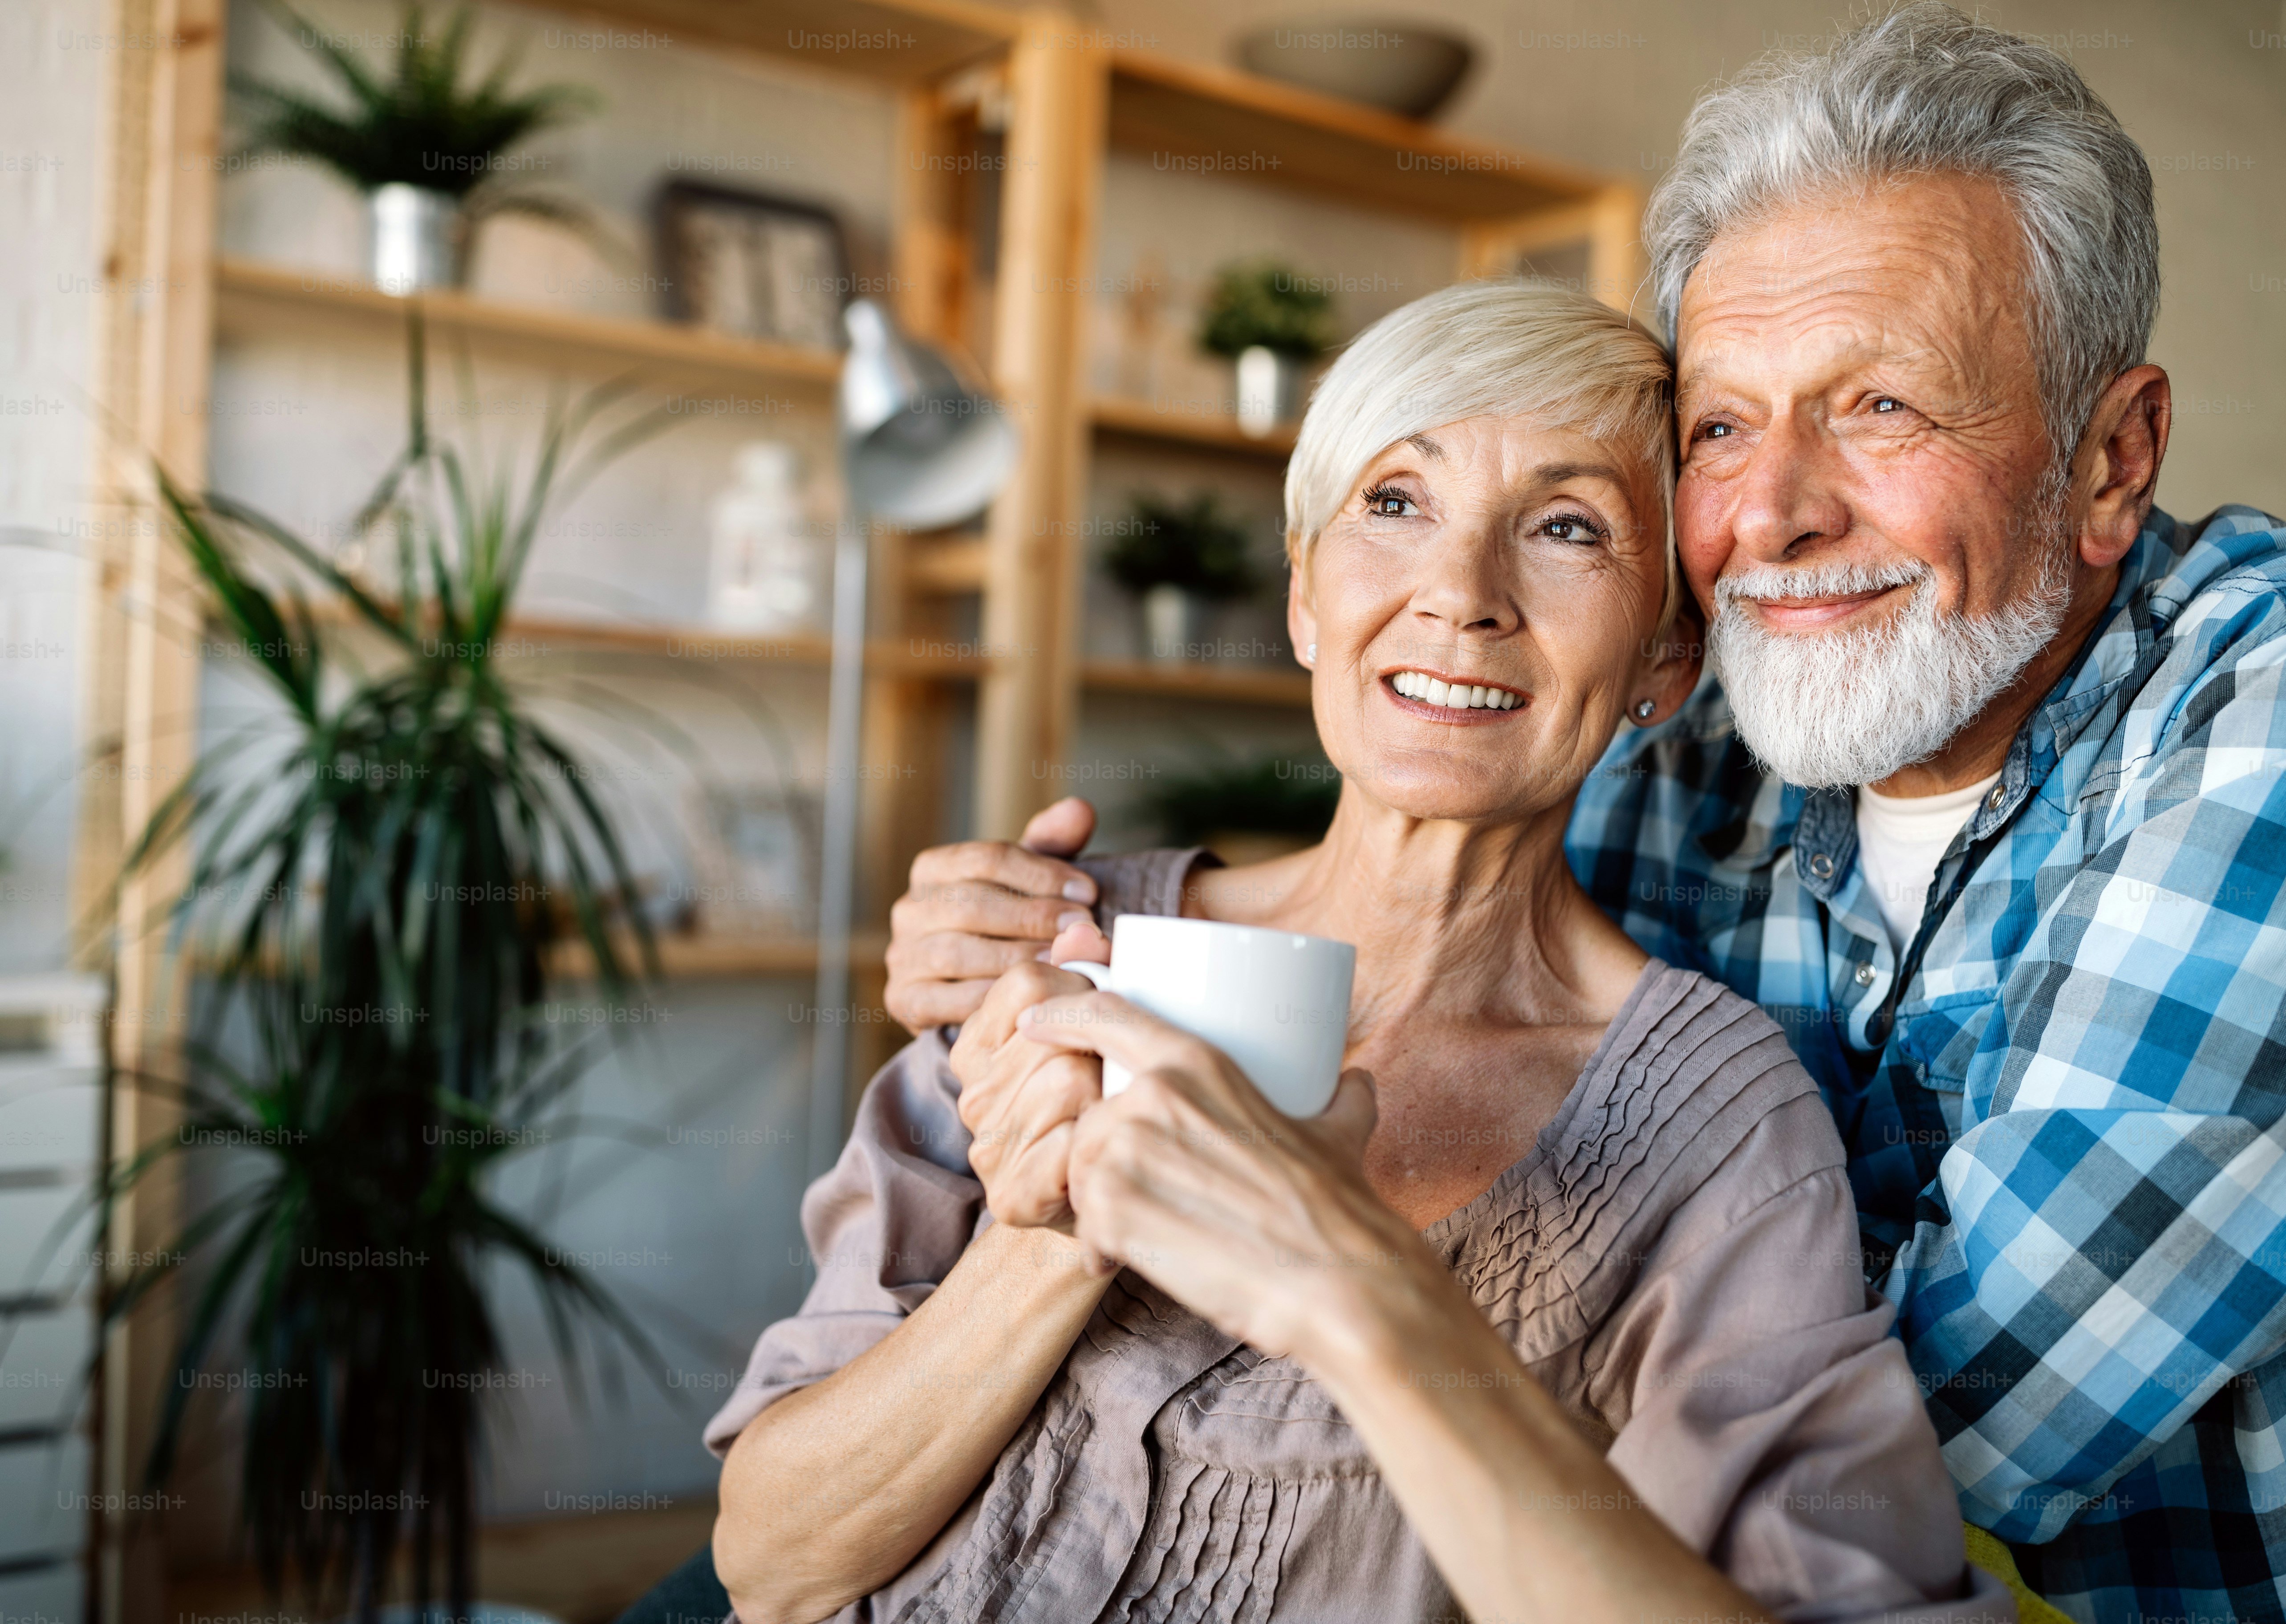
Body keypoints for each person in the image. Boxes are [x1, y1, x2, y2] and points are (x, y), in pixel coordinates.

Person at [875, 10, 2286, 1624]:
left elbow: (1956, 1432)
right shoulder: (1692, 724)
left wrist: (1355, 1302)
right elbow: (1442, 973)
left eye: (1883, 408)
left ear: (2115, 459)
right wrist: (1029, 946)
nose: (1772, 516)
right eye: (1719, 428)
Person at [705, 280, 2010, 1624]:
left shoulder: (1715, 1120)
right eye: (1395, 504)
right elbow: (770, 1558)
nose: (1459, 595)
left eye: (1566, 529)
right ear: (1306, 599)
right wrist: (1046, 1242)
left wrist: (1348, 1278)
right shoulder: (1061, 940)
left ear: (1666, 661)